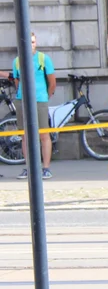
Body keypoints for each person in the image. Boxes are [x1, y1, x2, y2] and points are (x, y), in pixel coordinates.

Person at [12, 32, 56, 179]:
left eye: (32, 42)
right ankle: (29, 167)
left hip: (40, 100)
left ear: (35, 43)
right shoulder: (17, 61)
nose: (30, 45)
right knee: (25, 136)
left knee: (44, 134)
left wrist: (45, 96)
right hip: (22, 100)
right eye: (27, 42)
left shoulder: (43, 59)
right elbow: (17, 81)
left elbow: (52, 82)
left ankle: (46, 168)